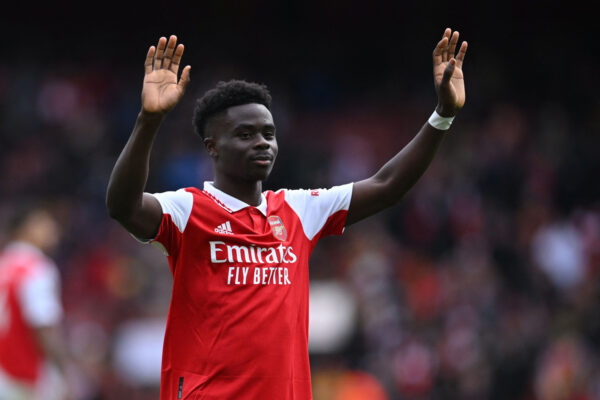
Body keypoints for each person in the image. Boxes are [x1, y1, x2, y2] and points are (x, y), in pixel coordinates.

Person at [106, 28, 467, 399]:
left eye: (268, 133)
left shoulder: (298, 210)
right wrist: (148, 120)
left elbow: (388, 185)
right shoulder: (188, 210)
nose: (262, 141)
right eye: (246, 134)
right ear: (213, 147)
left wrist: (443, 115)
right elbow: (122, 206)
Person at [0, 205, 73, 400]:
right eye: (43, 222)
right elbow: (44, 327)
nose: (52, 228)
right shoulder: (36, 268)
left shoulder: (3, 264)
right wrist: (65, 374)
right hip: (26, 377)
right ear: (24, 228)